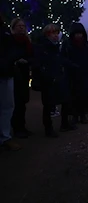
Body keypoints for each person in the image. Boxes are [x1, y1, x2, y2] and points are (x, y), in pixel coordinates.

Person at [32, 24, 74, 137]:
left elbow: (59, 60)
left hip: (58, 78)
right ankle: (48, 128)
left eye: (57, 33)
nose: (56, 35)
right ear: (47, 34)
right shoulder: (42, 47)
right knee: (48, 105)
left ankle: (64, 124)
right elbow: (38, 64)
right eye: (53, 33)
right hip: (48, 80)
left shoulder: (55, 46)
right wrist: (46, 75)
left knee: (65, 100)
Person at [61, 22, 88, 124]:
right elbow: (63, 58)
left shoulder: (85, 43)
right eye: (77, 33)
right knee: (73, 96)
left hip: (84, 73)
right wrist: (71, 65)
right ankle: (75, 115)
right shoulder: (67, 43)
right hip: (72, 74)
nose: (79, 35)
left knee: (84, 96)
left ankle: (82, 115)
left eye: (80, 33)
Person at [10, 18, 33, 138]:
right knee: (16, 101)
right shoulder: (10, 40)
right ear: (13, 27)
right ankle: (16, 128)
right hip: (14, 73)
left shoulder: (27, 41)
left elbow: (31, 55)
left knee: (23, 101)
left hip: (24, 73)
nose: (21, 27)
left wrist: (27, 61)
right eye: (19, 25)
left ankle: (22, 126)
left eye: (23, 25)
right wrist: (17, 60)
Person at [0, 13, 21, 150]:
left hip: (6, 73)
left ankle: (5, 137)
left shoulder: (4, 30)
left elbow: (12, 49)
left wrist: (8, 61)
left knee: (7, 106)